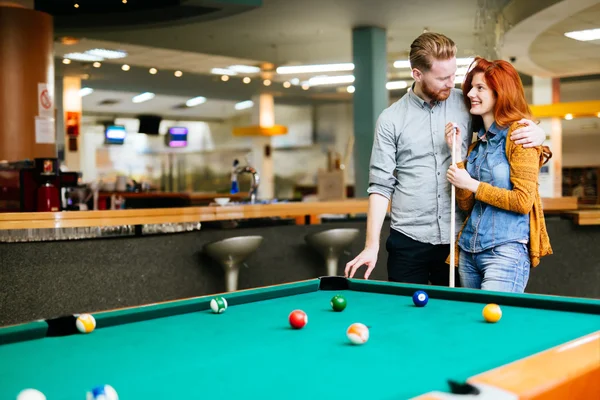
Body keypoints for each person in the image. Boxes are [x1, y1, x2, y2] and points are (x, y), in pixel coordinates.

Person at [344, 32, 547, 285]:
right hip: (408, 240)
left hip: (458, 240)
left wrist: (540, 134)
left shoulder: (466, 104)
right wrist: (371, 245)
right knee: (407, 320)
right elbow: (380, 187)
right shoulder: (390, 119)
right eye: (442, 78)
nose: (451, 83)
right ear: (417, 74)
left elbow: (501, 132)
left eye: (453, 74)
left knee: (456, 319)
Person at [444, 57, 552, 293]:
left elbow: (523, 202)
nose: (471, 93)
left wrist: (472, 184)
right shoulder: (477, 146)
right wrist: (456, 154)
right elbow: (465, 204)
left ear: (500, 93)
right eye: (471, 87)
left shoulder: (521, 135)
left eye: (480, 88)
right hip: (468, 252)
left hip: (504, 252)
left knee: (495, 325)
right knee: (473, 326)